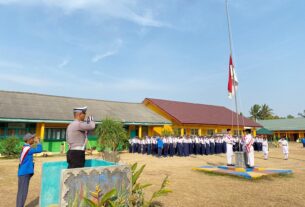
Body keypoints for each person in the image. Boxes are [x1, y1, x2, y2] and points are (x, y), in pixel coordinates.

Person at [16, 133, 42, 207]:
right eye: (32, 138)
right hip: (25, 172)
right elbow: (39, 150)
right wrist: (38, 142)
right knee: (23, 192)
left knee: (21, 191)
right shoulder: (28, 149)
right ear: (29, 140)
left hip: (23, 172)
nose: (34, 139)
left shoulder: (25, 148)